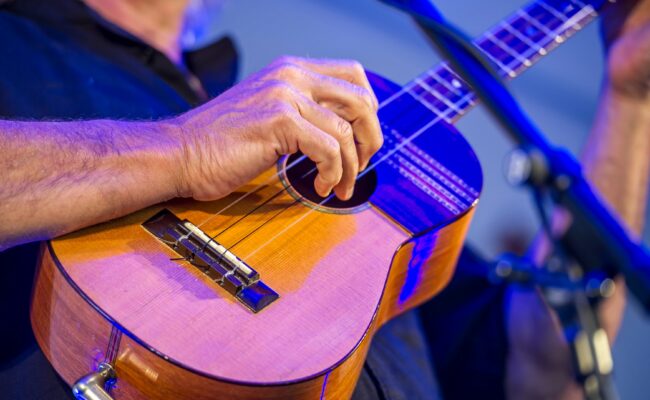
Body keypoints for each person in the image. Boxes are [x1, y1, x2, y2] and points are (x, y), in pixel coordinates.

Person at [0, 0, 648, 399]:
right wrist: (184, 148)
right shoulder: (16, 42)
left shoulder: (302, 135)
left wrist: (627, 98)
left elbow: (540, 376)